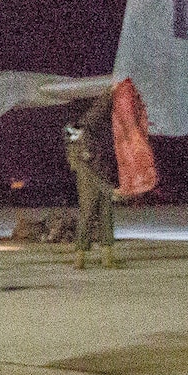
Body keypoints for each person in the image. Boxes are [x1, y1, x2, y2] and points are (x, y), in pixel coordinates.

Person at [65, 87, 120, 269]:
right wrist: (109, 188)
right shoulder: (78, 142)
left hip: (101, 178)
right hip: (91, 183)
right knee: (88, 217)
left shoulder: (85, 130)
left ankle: (105, 259)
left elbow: (98, 109)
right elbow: (87, 172)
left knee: (105, 217)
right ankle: (80, 260)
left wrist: (110, 92)